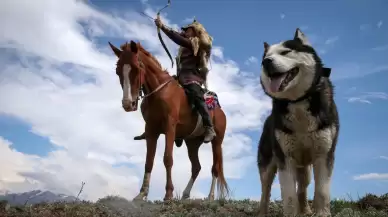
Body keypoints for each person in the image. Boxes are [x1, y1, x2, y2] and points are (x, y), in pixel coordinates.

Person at [133, 17, 216, 143]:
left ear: (195, 31)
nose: (185, 32)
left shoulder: (195, 43)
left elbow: (178, 39)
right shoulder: (185, 43)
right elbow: (178, 36)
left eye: (188, 30)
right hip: (180, 77)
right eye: (185, 31)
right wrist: (164, 27)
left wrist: (163, 27)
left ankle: (209, 127)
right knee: (160, 91)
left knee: (196, 95)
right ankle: (152, 127)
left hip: (192, 78)